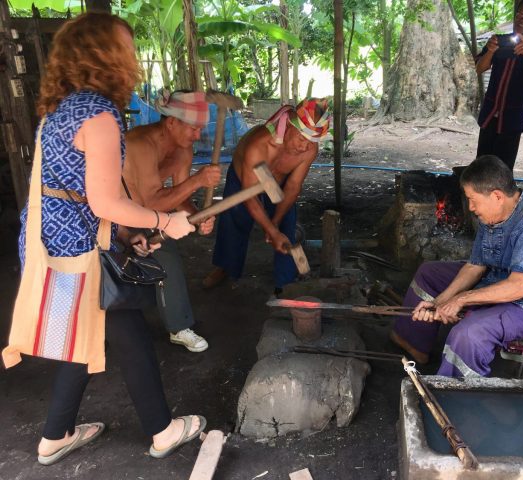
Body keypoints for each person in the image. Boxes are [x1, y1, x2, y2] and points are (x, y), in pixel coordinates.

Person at [11, 13, 205, 464]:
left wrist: (127, 235)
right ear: (103, 54)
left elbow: (90, 189)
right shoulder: (99, 114)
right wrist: (163, 221)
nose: (134, 58)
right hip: (72, 245)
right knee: (124, 322)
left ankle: (55, 435)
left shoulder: (62, 110)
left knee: (87, 332)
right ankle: (162, 430)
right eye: (127, 47)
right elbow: (104, 201)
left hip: (46, 238)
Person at [391, 155, 523, 377]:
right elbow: (475, 266)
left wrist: (460, 299)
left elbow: (520, 288)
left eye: (473, 200)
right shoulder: (492, 214)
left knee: (468, 334)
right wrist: (439, 301)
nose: (470, 207)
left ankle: (457, 395)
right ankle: (414, 345)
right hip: (501, 279)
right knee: (429, 273)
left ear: (497, 196)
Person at [123, 89, 222, 353]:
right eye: (193, 129)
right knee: (113, 268)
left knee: (167, 256)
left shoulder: (182, 150)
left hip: (150, 212)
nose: (198, 136)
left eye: (201, 129)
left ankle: (178, 327)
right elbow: (150, 203)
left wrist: (198, 217)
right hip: (116, 216)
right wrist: (198, 180)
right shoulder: (140, 144)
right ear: (171, 122)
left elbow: (179, 196)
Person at [202, 99, 330, 294]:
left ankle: (284, 284)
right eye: (302, 139)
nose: (305, 147)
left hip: (276, 182)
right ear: (289, 125)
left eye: (311, 142)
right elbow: (249, 196)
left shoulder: (309, 148)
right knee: (235, 219)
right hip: (246, 178)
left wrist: (275, 224)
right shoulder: (259, 145)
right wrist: (269, 229)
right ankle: (226, 267)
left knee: (286, 224)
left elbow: (293, 186)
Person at [475, 0, 523, 170]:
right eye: (520, 14)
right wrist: (491, 51)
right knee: (481, 168)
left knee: (502, 171)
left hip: (512, 120)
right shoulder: (499, 40)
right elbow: (480, 68)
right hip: (489, 115)